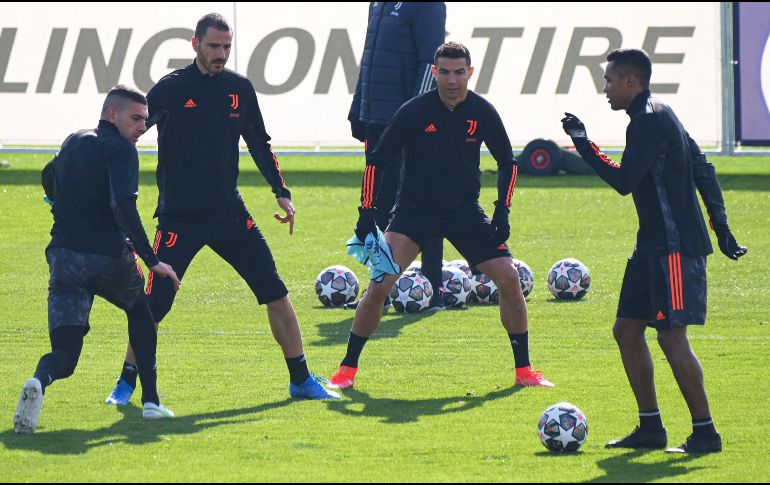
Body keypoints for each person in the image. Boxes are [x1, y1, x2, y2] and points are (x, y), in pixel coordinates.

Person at [105, 13, 339, 405]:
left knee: (275, 291)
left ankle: (301, 380)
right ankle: (126, 383)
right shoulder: (170, 89)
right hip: (180, 216)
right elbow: (129, 129)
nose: (221, 54)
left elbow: (260, 142)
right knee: (154, 306)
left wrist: (280, 190)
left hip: (230, 214)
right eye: (214, 46)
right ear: (195, 45)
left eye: (227, 47)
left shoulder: (239, 89)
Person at [329, 41, 554, 390]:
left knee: (509, 278)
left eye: (459, 72)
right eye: (445, 72)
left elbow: (508, 163)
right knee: (378, 287)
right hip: (413, 213)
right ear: (435, 73)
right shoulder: (415, 111)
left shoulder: (482, 111)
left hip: (465, 213)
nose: (452, 80)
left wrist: (502, 212)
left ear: (470, 73)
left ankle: (524, 371)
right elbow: (377, 160)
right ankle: (346, 371)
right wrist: (366, 212)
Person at [561, 48, 747, 454]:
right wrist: (721, 226)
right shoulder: (661, 113)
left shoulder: (647, 120)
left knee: (671, 338)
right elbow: (703, 167)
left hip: (673, 249)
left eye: (609, 80)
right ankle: (650, 428)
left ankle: (705, 433)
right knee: (627, 330)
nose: (605, 88)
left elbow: (625, 180)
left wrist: (583, 144)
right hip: (653, 247)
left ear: (631, 82)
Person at [14, 86, 180, 434]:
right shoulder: (122, 151)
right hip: (108, 258)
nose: (141, 128)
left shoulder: (73, 140)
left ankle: (39, 381)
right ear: (111, 115)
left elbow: (50, 178)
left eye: (145, 121)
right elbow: (123, 206)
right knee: (140, 312)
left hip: (64, 259)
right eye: (135, 119)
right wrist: (151, 260)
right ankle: (151, 401)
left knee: (65, 354)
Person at [345, 1, 447, 310]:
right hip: (376, 118)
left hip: (404, 121)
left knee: (421, 203)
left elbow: (431, 61)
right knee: (376, 207)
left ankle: (431, 288)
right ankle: (379, 291)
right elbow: (370, 57)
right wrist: (358, 105)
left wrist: (415, 116)